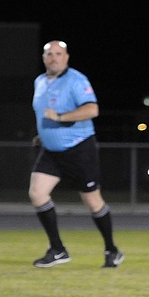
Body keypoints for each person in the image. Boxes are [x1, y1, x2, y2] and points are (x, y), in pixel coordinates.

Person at [29, 40, 123, 268]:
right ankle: (58, 250)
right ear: (43, 58)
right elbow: (44, 112)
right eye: (49, 54)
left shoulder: (76, 80)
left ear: (67, 57)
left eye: (59, 54)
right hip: (51, 151)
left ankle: (112, 250)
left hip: (79, 149)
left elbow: (92, 109)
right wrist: (44, 134)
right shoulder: (40, 81)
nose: (54, 58)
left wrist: (60, 118)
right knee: (37, 194)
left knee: (92, 201)